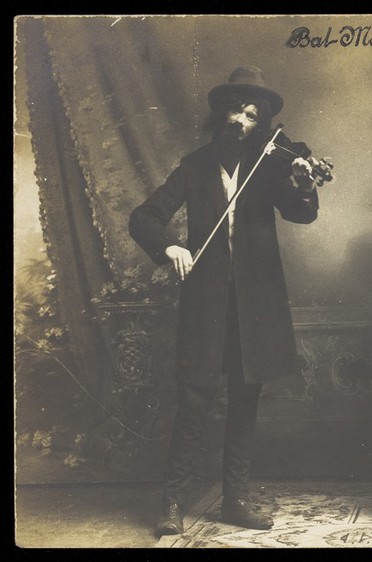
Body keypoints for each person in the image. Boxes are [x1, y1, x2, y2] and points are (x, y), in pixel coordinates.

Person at [129, 66, 323, 536]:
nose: (241, 119)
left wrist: (304, 181)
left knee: (244, 402)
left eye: (252, 115)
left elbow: (302, 213)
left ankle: (236, 500)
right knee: (193, 401)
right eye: (236, 109)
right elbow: (144, 216)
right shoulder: (194, 165)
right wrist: (169, 247)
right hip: (206, 302)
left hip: (254, 305)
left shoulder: (274, 164)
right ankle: (172, 502)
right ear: (221, 113)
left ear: (260, 125)